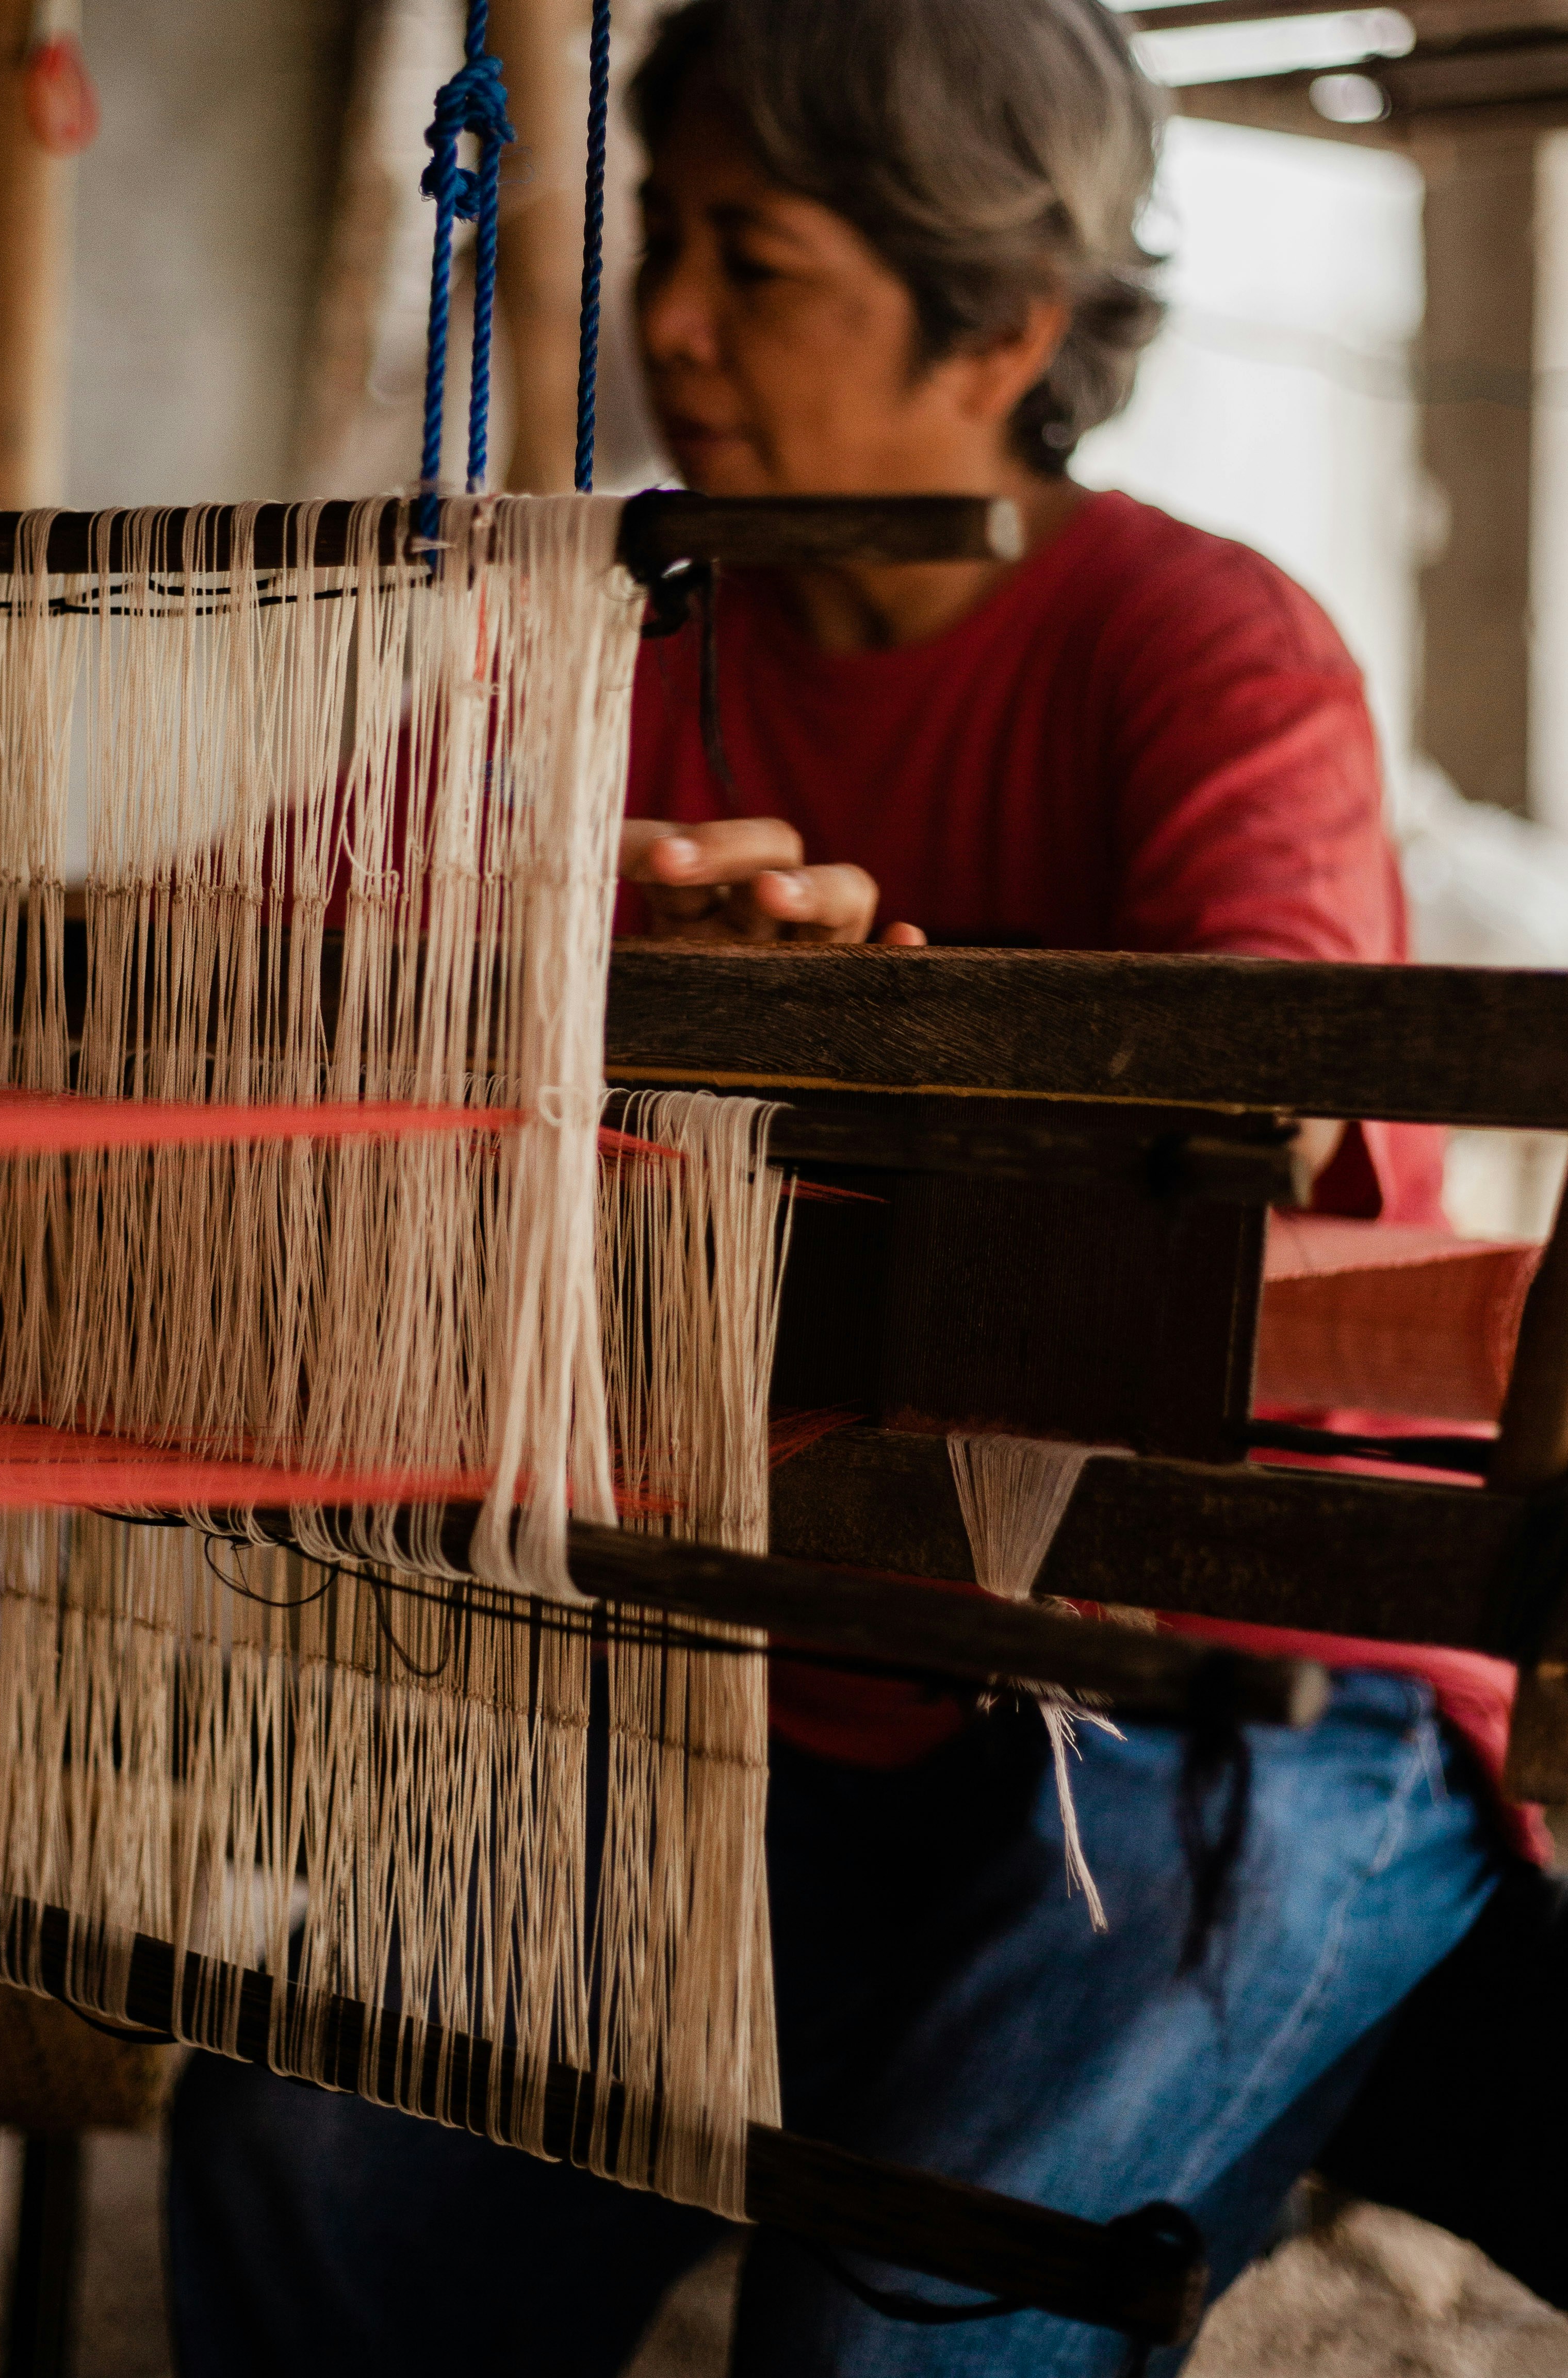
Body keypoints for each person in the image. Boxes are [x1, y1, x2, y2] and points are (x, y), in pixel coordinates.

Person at [169, 5, 1544, 2370]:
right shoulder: (620, 643)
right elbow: (247, 959)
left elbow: (1251, 1134)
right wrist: (546, 956)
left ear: (1000, 324)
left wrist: (835, 1048)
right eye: (669, 242)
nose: (674, 322)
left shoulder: (1202, 645)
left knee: (896, 2325)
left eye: (760, 262)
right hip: (788, 1669)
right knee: (298, 2157)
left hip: (1226, 1692)